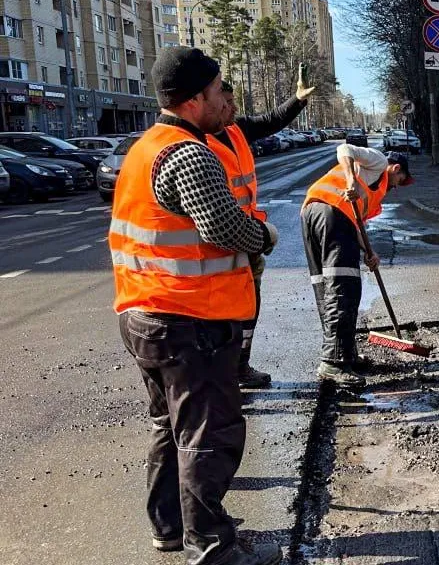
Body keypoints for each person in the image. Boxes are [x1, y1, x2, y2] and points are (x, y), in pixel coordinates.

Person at [111, 46, 282, 565]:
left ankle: (171, 529)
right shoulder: (188, 153)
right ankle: (212, 547)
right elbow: (224, 227)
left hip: (145, 314)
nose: (227, 98)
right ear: (192, 100)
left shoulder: (147, 147)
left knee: (170, 428)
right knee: (208, 435)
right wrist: (265, 235)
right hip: (189, 320)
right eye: (218, 90)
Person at [210, 63, 316, 388]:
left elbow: (271, 120)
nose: (233, 109)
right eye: (227, 103)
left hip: (247, 237)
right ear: (210, 103)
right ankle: (222, 374)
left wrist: (297, 100)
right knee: (222, 314)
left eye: (234, 102)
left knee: (250, 306)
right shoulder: (196, 142)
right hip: (217, 243)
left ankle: (240, 367)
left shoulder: (236, 130)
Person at [300, 142, 413, 388]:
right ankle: (333, 363)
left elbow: (356, 224)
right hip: (331, 215)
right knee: (344, 288)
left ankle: (345, 353)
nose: (397, 186)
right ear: (396, 168)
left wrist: (369, 252)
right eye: (400, 180)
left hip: (314, 214)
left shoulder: (374, 195)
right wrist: (351, 180)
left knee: (327, 288)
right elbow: (344, 149)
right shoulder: (379, 162)